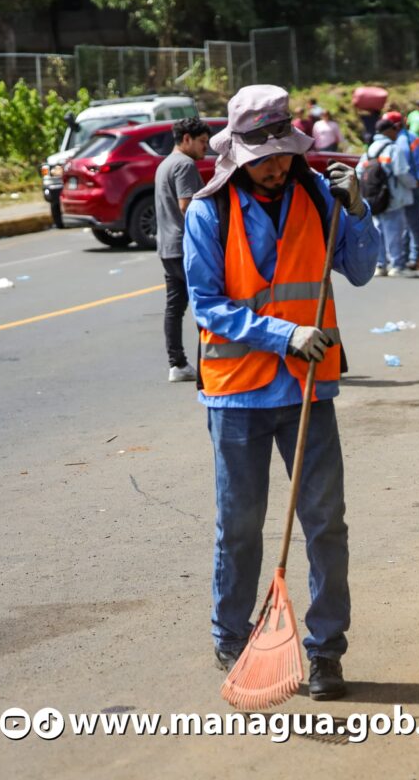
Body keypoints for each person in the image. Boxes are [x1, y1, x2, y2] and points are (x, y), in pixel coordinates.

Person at [181, 85, 381, 699]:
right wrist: (284, 334)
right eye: (262, 157)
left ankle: (326, 650)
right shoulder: (209, 212)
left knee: (325, 523)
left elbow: (361, 270)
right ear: (237, 155)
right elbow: (207, 305)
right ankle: (231, 634)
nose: (275, 166)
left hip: (307, 392)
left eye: (282, 154)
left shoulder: (319, 196)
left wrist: (357, 211)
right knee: (239, 525)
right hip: (237, 394)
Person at [155, 116, 210, 383]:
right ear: (186, 139)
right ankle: (208, 366)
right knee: (206, 303)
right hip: (186, 247)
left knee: (175, 307)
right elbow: (187, 206)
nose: (205, 147)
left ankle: (177, 364)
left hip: (167, 247)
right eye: (202, 141)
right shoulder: (184, 164)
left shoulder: (165, 163)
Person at [359, 117, 416, 277]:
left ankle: (380, 265)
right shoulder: (393, 149)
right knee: (394, 233)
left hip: (373, 199)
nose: (396, 132)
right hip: (392, 199)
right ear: (388, 131)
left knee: (378, 232)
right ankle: (396, 266)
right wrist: (413, 184)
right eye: (394, 129)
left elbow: (358, 173)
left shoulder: (369, 150)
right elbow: (401, 172)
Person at [386, 111, 419, 271]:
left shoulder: (402, 141)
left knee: (413, 221)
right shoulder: (410, 136)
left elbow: (402, 168)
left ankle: (416, 257)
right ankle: (407, 255)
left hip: (414, 183)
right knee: (410, 220)